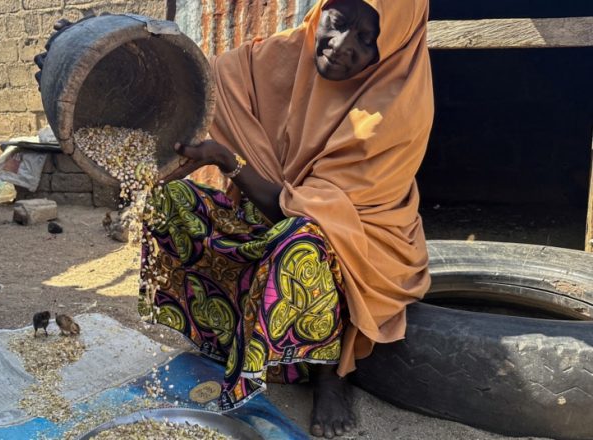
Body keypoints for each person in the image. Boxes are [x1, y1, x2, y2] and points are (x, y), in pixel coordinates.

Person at [37, 0, 433, 437]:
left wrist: (230, 162)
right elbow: (210, 78)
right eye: (337, 23)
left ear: (393, 44)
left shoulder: (395, 108)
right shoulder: (285, 55)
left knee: (302, 242)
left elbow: (312, 213)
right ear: (320, 13)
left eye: (366, 39)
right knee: (172, 199)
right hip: (271, 213)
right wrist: (86, 63)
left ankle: (328, 376)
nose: (340, 46)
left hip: (353, 245)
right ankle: (228, 339)